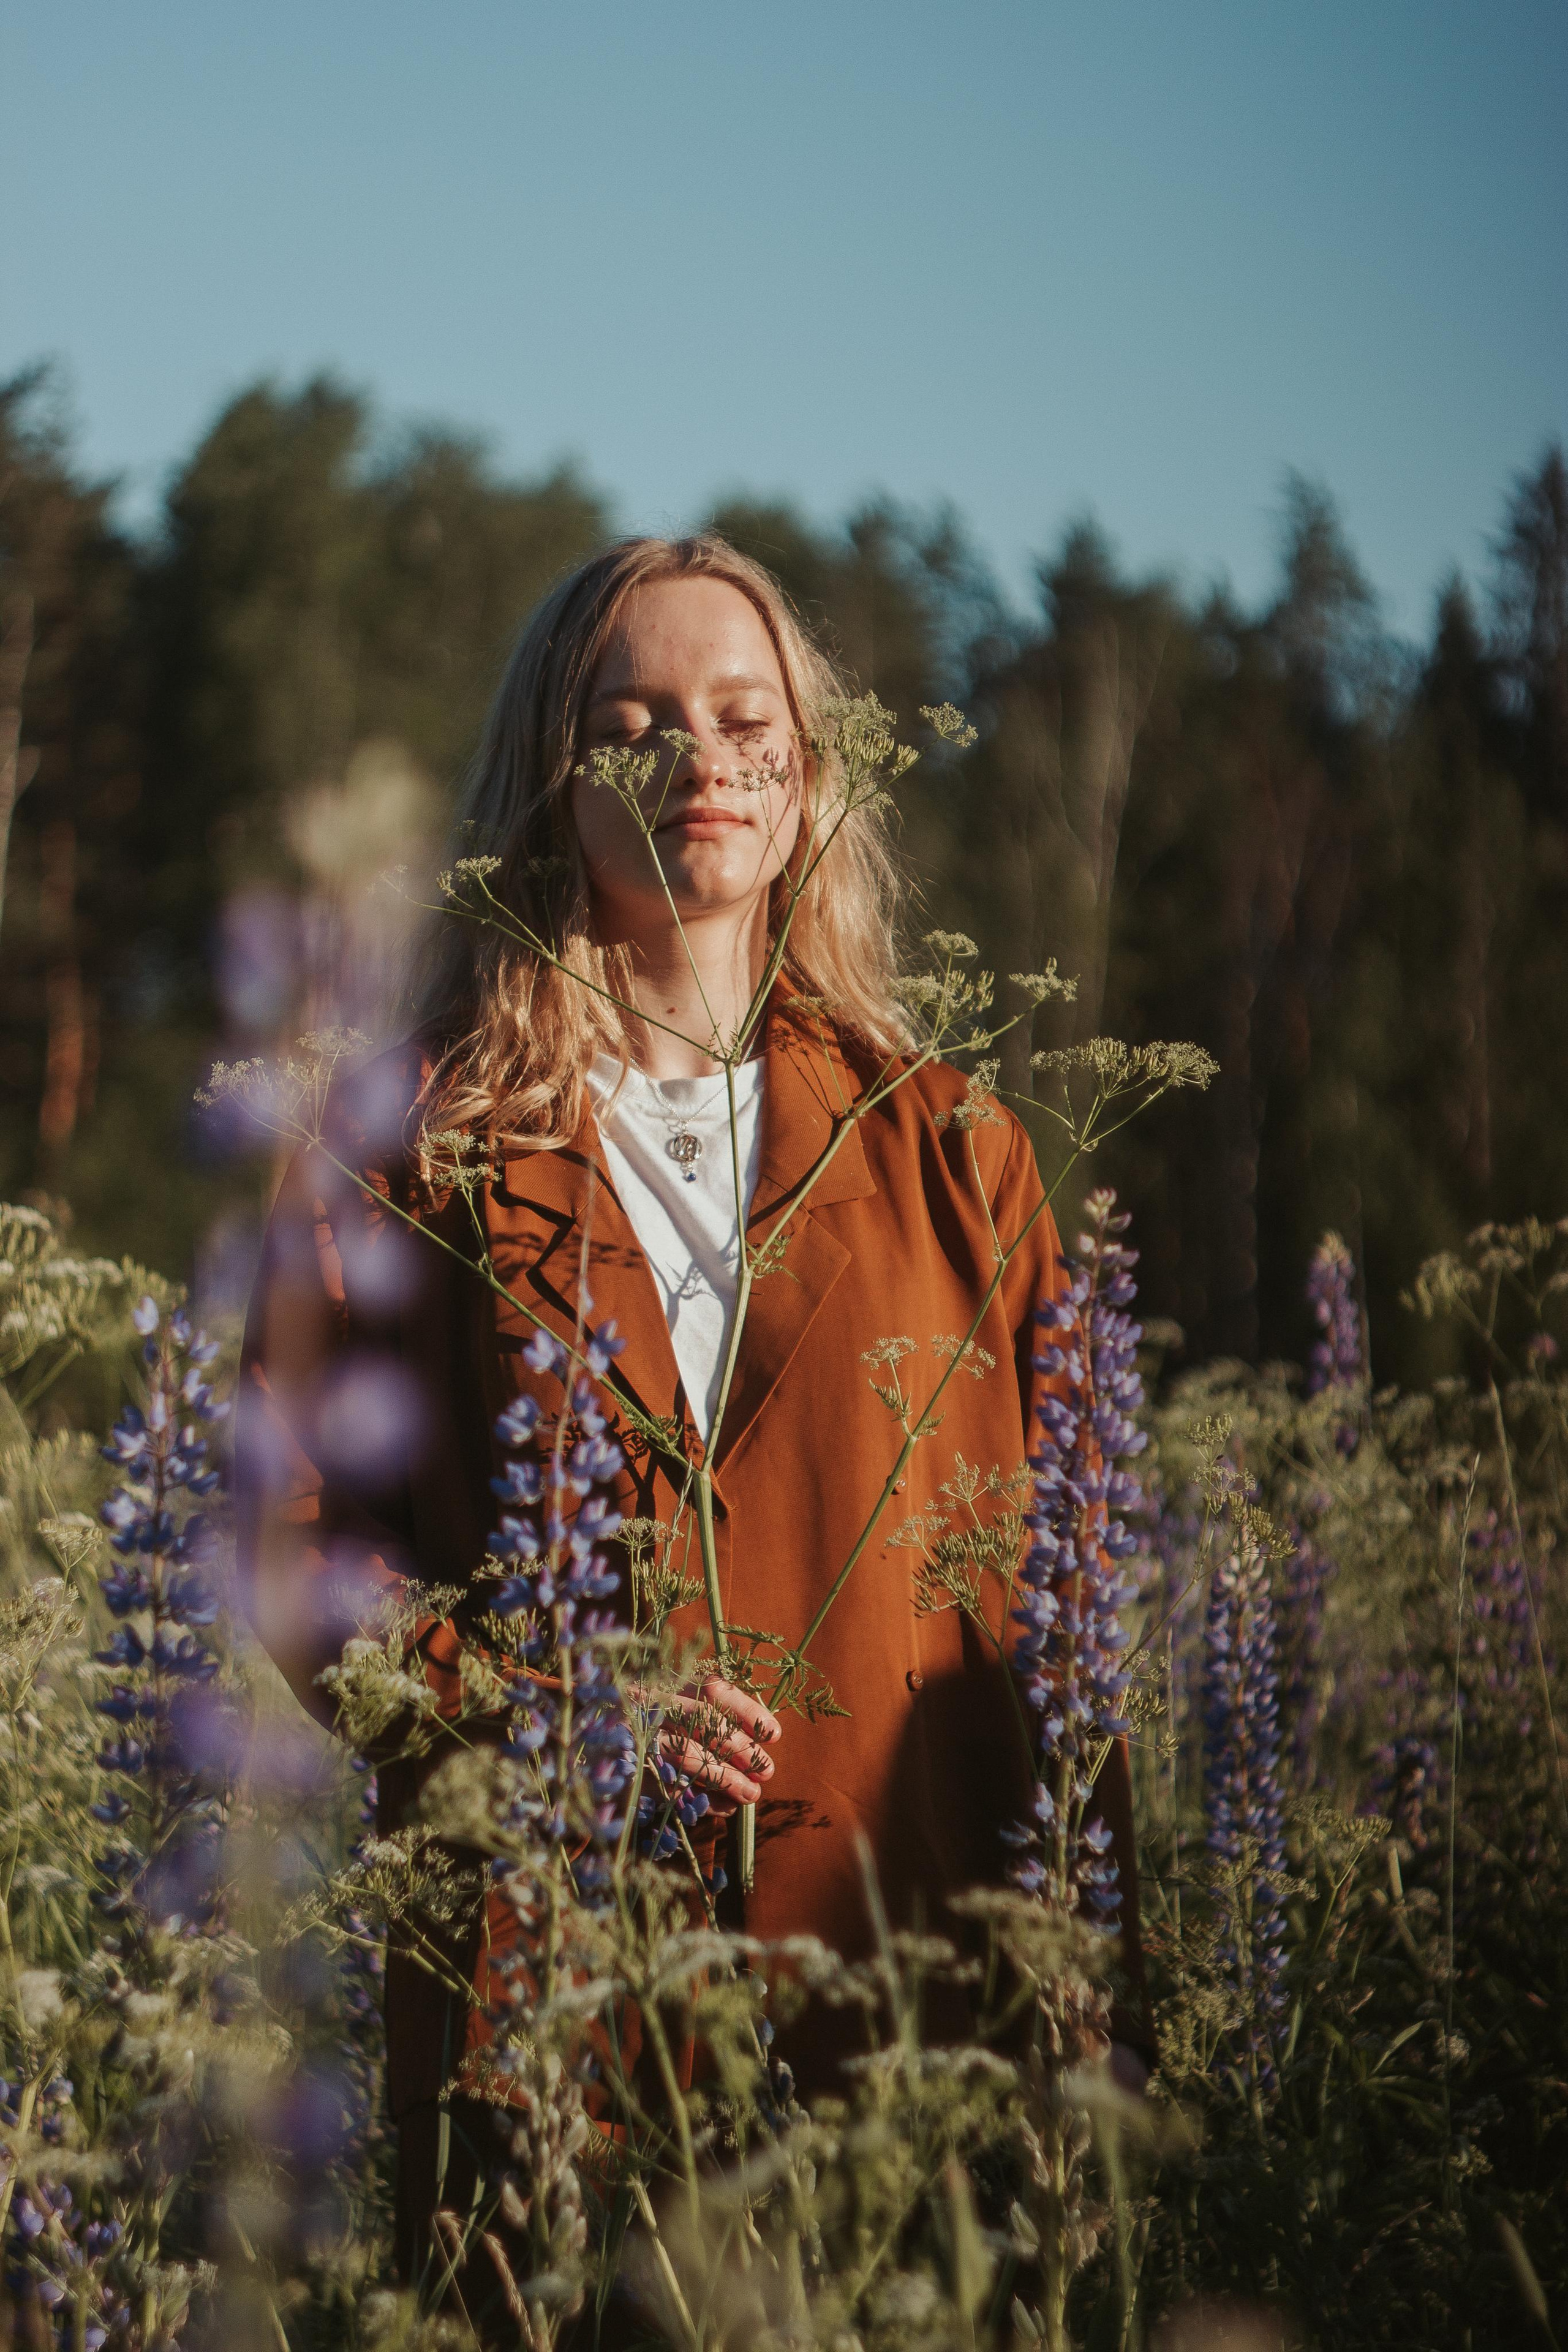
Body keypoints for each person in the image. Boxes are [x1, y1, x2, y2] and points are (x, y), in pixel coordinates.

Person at [235, 533, 1150, 2321]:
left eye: (747, 716)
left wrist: (1098, 2006)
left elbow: (1079, 1623)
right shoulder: (401, 1155)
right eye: (635, 716)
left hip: (911, 2042)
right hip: (558, 2036)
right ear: (551, 775)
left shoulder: (959, 1154)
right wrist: (548, 1713)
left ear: (811, 773)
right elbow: (287, 1549)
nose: (702, 755)